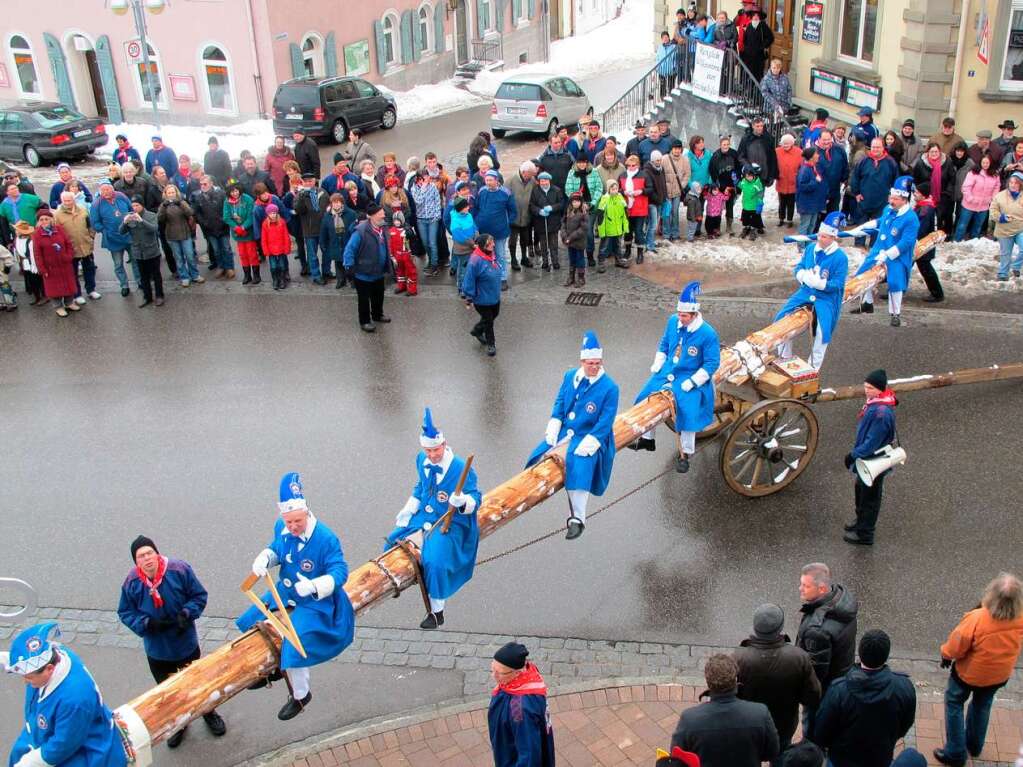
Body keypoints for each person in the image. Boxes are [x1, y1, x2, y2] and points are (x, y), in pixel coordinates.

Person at [238, 472, 356, 720]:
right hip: (287, 591)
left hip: (316, 602)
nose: (292, 527)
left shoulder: (325, 538)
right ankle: (271, 671)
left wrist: (315, 585)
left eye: (297, 522)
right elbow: (277, 549)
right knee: (249, 621)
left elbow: (340, 571)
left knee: (294, 643)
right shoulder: (282, 527)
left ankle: (301, 696)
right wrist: (265, 558)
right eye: (288, 522)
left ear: (306, 513)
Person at [117, 535, 226, 748]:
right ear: (136, 562)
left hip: (185, 644)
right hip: (158, 650)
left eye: (150, 553)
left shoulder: (179, 570)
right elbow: (125, 612)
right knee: (168, 691)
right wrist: (146, 624)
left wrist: (187, 614)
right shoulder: (132, 583)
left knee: (198, 683)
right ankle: (179, 722)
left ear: (157, 553)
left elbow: (199, 595)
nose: (147, 558)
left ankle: (208, 712)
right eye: (141, 556)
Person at [385, 408, 482, 628]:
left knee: (436, 562)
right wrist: (410, 507)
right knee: (392, 540)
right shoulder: (421, 459)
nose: (432, 455)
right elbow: (421, 486)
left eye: (435, 450)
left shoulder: (460, 468)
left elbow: (477, 498)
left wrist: (464, 501)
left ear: (444, 445)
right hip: (424, 516)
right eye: (428, 451)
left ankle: (437, 612)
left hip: (451, 521)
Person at [525, 331, 619, 539]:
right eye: (590, 363)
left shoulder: (610, 388)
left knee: (581, 466)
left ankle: (577, 518)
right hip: (565, 431)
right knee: (537, 455)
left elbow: (605, 421)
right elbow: (560, 402)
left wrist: (592, 441)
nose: (594, 367)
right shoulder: (570, 377)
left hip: (590, 436)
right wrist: (554, 423)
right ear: (582, 361)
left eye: (597, 363)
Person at [4, 622, 128, 767]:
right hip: (46, 732)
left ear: (49, 669)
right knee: (18, 753)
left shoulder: (75, 699)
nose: (25, 681)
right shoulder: (56, 654)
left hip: (82, 748)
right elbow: (24, 661)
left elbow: (62, 745)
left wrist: (30, 762)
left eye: (29, 677)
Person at [934, 573, 1023, 766]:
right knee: (982, 705)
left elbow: (957, 645)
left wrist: (946, 655)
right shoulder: (1020, 619)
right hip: (999, 675)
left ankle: (956, 753)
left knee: (954, 702)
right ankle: (974, 745)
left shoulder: (978, 618)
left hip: (969, 674)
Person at [631, 281, 720, 473]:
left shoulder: (707, 333)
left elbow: (712, 363)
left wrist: (693, 382)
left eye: (685, 316)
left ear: (694, 314)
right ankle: (648, 440)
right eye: (680, 314)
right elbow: (664, 344)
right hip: (668, 370)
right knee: (644, 397)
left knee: (687, 411)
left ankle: (685, 453)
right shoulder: (673, 321)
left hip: (690, 377)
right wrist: (658, 362)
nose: (681, 318)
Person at [813, 630, 915, 767]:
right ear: (886, 656)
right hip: (880, 758)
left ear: (860, 653)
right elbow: (905, 725)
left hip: (841, 760)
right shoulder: (904, 687)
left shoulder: (838, 690)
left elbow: (821, 732)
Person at [734, 604, 821, 761]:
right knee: (780, 757)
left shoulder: (738, 658)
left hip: (750, 726)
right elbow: (812, 697)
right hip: (783, 727)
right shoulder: (798, 657)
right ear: (780, 628)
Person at [670, 653, 779, 766]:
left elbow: (677, 757)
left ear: (708, 682)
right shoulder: (760, 713)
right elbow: (772, 752)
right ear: (735, 679)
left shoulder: (689, 719)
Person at [774, 212, 849, 370]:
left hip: (825, 298)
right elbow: (800, 267)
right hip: (805, 292)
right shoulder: (810, 249)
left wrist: (821, 284)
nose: (820, 239)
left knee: (823, 333)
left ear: (833, 238)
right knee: (780, 319)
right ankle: (784, 358)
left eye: (824, 237)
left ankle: (813, 368)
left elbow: (838, 284)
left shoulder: (840, 258)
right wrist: (802, 275)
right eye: (819, 235)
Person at [795, 561, 858, 735]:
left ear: (822, 589)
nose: (800, 588)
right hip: (841, 676)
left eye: (805, 586)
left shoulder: (817, 630)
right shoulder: (842, 600)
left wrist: (804, 694)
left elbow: (815, 674)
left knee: (812, 724)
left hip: (823, 691)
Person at [851, 176, 919, 326]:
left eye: (895, 199)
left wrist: (888, 255)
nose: (891, 201)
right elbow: (880, 222)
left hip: (897, 255)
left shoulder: (911, 218)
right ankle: (867, 304)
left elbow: (906, 242)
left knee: (895, 281)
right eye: (891, 197)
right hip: (879, 249)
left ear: (904, 200)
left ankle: (896, 314)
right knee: (864, 273)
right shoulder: (888, 209)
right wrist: (864, 227)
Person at [488, 642, 555, 767]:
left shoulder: (518, 708)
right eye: (492, 669)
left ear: (517, 673)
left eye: (500, 673)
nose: (493, 676)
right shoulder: (529, 674)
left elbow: (529, 755)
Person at [343, 203, 392, 332]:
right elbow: (349, 250)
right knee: (364, 299)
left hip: (378, 271)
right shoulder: (361, 231)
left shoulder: (383, 227)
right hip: (363, 272)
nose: (383, 215)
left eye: (383, 212)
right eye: (380, 213)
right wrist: (349, 267)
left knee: (378, 295)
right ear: (372, 216)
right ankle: (364, 321)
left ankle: (377, 314)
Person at [32, 205, 79, 318]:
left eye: (46, 219)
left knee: (68, 284)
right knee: (54, 288)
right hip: (50, 266)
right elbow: (37, 254)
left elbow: (68, 244)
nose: (44, 221)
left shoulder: (59, 229)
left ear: (51, 219)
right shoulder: (37, 235)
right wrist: (42, 269)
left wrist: (68, 256)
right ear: (38, 222)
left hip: (64, 263)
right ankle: (58, 306)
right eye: (41, 219)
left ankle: (69, 303)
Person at [53, 190, 99, 305]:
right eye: (65, 201)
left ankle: (91, 290)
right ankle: (77, 294)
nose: (67, 203)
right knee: (73, 273)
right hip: (71, 248)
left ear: (74, 200)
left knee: (89, 269)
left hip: (86, 245)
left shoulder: (83, 210)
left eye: (69, 200)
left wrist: (91, 237)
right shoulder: (57, 215)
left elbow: (90, 225)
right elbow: (57, 232)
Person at [461, 233, 502, 356]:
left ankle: (477, 330)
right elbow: (469, 280)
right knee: (489, 321)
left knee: (494, 315)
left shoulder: (491, 254)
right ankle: (491, 344)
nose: (493, 244)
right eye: (490, 243)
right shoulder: (475, 261)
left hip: (494, 296)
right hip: (481, 299)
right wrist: (469, 297)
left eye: (493, 241)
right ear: (484, 246)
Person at [121, 195, 165, 307]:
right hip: (138, 251)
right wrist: (124, 222)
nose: (134, 208)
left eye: (137, 205)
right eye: (133, 206)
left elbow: (154, 229)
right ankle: (147, 297)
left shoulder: (151, 215)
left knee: (156, 275)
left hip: (151, 251)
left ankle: (159, 296)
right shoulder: (129, 216)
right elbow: (121, 231)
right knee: (143, 277)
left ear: (142, 205)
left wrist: (141, 221)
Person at [850, 137, 900, 231]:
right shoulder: (863, 161)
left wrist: (892, 196)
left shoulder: (891, 163)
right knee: (862, 226)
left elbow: (896, 181)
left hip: (882, 201)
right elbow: (855, 178)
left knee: (877, 227)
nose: (875, 149)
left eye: (878, 147)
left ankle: (874, 245)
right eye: (873, 147)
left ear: (883, 148)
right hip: (864, 199)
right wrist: (856, 193)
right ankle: (859, 245)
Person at [158, 185, 202, 288]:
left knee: (190, 256)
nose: (171, 195)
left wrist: (181, 204)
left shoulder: (182, 202)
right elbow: (160, 219)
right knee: (178, 258)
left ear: (176, 193)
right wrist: (164, 207)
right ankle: (184, 277)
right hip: (172, 235)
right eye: (169, 193)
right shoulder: (163, 205)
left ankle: (195, 275)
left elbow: (190, 213)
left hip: (185, 233)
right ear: (166, 194)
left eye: (173, 192)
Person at [193, 175, 234, 280]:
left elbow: (227, 208)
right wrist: (204, 222)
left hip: (222, 226)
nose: (203, 186)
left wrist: (224, 220)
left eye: (205, 184)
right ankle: (220, 266)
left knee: (226, 248)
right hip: (209, 229)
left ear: (211, 184)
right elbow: (197, 213)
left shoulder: (221, 194)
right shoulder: (198, 197)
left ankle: (229, 267)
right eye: (201, 184)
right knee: (216, 250)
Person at [911, 182, 944, 302]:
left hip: (922, 245)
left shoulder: (926, 209)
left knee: (925, 269)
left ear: (923, 195)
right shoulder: (924, 206)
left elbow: (920, 228)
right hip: (922, 244)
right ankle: (895, 289)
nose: (915, 194)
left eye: (917, 192)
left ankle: (937, 294)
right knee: (906, 267)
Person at [955, 153, 1000, 241]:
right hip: (969, 204)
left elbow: (997, 186)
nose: (985, 165)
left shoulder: (995, 175)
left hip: (984, 205)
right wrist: (970, 198)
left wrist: (992, 198)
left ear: (990, 163)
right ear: (980, 163)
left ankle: (974, 241)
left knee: (978, 226)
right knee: (962, 225)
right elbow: (966, 187)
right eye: (983, 162)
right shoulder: (973, 173)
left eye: (987, 163)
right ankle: (957, 240)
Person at [319, 192, 358, 289]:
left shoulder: (351, 214)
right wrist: (322, 243)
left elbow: (356, 229)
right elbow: (323, 231)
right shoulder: (327, 216)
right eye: (334, 202)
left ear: (342, 203)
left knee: (350, 262)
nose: (336, 204)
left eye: (338, 202)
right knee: (338, 262)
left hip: (347, 242)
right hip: (335, 242)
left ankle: (352, 279)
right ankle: (341, 280)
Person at [223, 183, 259, 285]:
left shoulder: (247, 199)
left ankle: (256, 275)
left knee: (252, 254)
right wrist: (236, 227)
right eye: (232, 191)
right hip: (237, 233)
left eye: (236, 191)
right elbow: (226, 217)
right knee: (243, 254)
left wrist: (243, 227)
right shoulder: (227, 201)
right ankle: (247, 275)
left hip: (248, 231)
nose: (235, 193)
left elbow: (251, 215)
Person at [990, 171, 1023, 281]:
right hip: (1004, 230)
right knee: (1006, 254)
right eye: (1011, 182)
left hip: (1020, 228)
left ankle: (1016, 266)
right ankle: (1003, 273)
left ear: (1021, 184)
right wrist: (1001, 218)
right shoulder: (1000, 196)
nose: (1013, 185)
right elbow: (993, 212)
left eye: (1016, 183)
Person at [529, 171, 565, 271]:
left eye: (545, 181)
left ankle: (555, 261)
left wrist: (552, 208)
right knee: (543, 244)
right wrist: (539, 211)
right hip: (541, 222)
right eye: (541, 181)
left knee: (553, 244)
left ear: (549, 181)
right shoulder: (535, 191)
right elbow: (531, 205)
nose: (543, 183)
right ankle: (545, 261)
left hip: (553, 222)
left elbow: (561, 204)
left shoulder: (557, 190)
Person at [620, 154, 650, 264]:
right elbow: (617, 189)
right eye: (629, 165)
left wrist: (641, 191)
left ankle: (640, 253)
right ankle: (627, 251)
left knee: (638, 231)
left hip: (640, 207)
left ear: (637, 165)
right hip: (627, 208)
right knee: (627, 231)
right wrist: (623, 192)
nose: (631, 167)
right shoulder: (622, 175)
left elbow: (650, 189)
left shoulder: (644, 175)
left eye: (633, 165)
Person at [507, 161, 536, 270]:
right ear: (524, 172)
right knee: (513, 240)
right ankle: (513, 259)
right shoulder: (511, 180)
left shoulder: (532, 181)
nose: (532, 176)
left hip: (526, 216)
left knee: (525, 238)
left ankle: (524, 257)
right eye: (531, 174)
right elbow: (505, 197)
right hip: (514, 217)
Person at [596, 180, 628, 270]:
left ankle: (619, 260)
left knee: (618, 245)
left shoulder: (620, 197)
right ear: (608, 189)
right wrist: (601, 229)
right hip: (608, 229)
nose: (615, 191)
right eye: (612, 189)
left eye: (616, 189)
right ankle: (601, 262)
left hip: (618, 228)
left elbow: (625, 212)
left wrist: (624, 225)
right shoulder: (604, 199)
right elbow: (601, 215)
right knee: (604, 246)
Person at [814, 130, 849, 215]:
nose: (827, 142)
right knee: (818, 219)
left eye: (829, 139)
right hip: (819, 192)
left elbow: (845, 166)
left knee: (832, 216)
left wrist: (844, 179)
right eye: (824, 140)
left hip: (835, 190)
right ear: (819, 139)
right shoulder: (813, 151)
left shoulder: (839, 150)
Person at [560, 192, 590, 287]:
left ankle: (581, 278)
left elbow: (583, 229)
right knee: (572, 259)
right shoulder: (568, 211)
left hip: (578, 242)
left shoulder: (584, 214)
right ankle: (571, 277)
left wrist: (570, 238)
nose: (575, 203)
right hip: (570, 242)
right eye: (574, 201)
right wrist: (564, 236)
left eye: (577, 201)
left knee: (580, 259)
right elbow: (563, 224)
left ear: (581, 202)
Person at [738, 118, 778, 187]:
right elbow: (740, 156)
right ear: (753, 126)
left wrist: (772, 175)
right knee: (749, 196)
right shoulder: (746, 139)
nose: (760, 128)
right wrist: (748, 166)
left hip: (764, 175)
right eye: (757, 126)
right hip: (750, 175)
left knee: (760, 196)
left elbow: (772, 158)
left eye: (761, 126)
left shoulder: (768, 138)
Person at [260, 204, 291, 290]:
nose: (273, 215)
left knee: (282, 266)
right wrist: (265, 250)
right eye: (271, 213)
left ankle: (282, 280)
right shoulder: (265, 224)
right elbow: (264, 239)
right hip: (271, 250)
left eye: (274, 213)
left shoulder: (282, 222)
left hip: (281, 249)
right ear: (268, 214)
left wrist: (287, 247)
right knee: (273, 267)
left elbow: (286, 236)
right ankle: (275, 280)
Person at [798, 146, 828, 235]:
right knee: (805, 226)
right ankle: (802, 247)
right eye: (816, 154)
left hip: (814, 204)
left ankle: (808, 245)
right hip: (807, 205)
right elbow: (802, 187)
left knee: (812, 226)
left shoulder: (812, 168)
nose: (818, 155)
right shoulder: (805, 170)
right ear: (811, 157)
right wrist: (815, 181)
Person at [775, 134, 801, 228]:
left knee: (791, 203)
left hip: (793, 182)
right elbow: (773, 164)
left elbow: (802, 166)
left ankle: (790, 220)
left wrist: (798, 176)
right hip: (781, 181)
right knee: (782, 203)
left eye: (787, 143)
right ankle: (781, 219)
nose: (785, 145)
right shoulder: (777, 151)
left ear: (792, 143)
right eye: (783, 143)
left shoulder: (798, 152)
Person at [740, 10, 773, 80]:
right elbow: (745, 39)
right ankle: (749, 90)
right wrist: (746, 49)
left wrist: (762, 46)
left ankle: (756, 90)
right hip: (749, 56)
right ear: (751, 17)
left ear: (760, 17)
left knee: (758, 74)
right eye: (754, 15)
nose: (755, 17)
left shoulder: (763, 26)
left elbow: (770, 38)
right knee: (749, 74)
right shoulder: (749, 25)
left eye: (757, 16)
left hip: (759, 56)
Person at [738, 164, 765, 240]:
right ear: (744, 176)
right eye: (747, 176)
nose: (749, 178)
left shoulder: (757, 183)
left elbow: (760, 193)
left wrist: (760, 203)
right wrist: (735, 181)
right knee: (745, 218)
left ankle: (753, 230)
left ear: (753, 175)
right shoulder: (743, 182)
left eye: (750, 176)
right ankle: (746, 228)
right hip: (746, 205)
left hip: (754, 206)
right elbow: (740, 185)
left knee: (754, 219)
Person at [657, 31, 677, 97]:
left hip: (671, 70)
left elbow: (676, 58)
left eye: (666, 37)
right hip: (662, 71)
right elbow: (657, 59)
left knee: (671, 86)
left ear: (668, 37)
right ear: (661, 39)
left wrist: (674, 66)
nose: (665, 39)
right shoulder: (660, 48)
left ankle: (671, 98)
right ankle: (663, 98)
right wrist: (658, 68)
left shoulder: (673, 46)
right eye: (663, 38)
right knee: (662, 86)